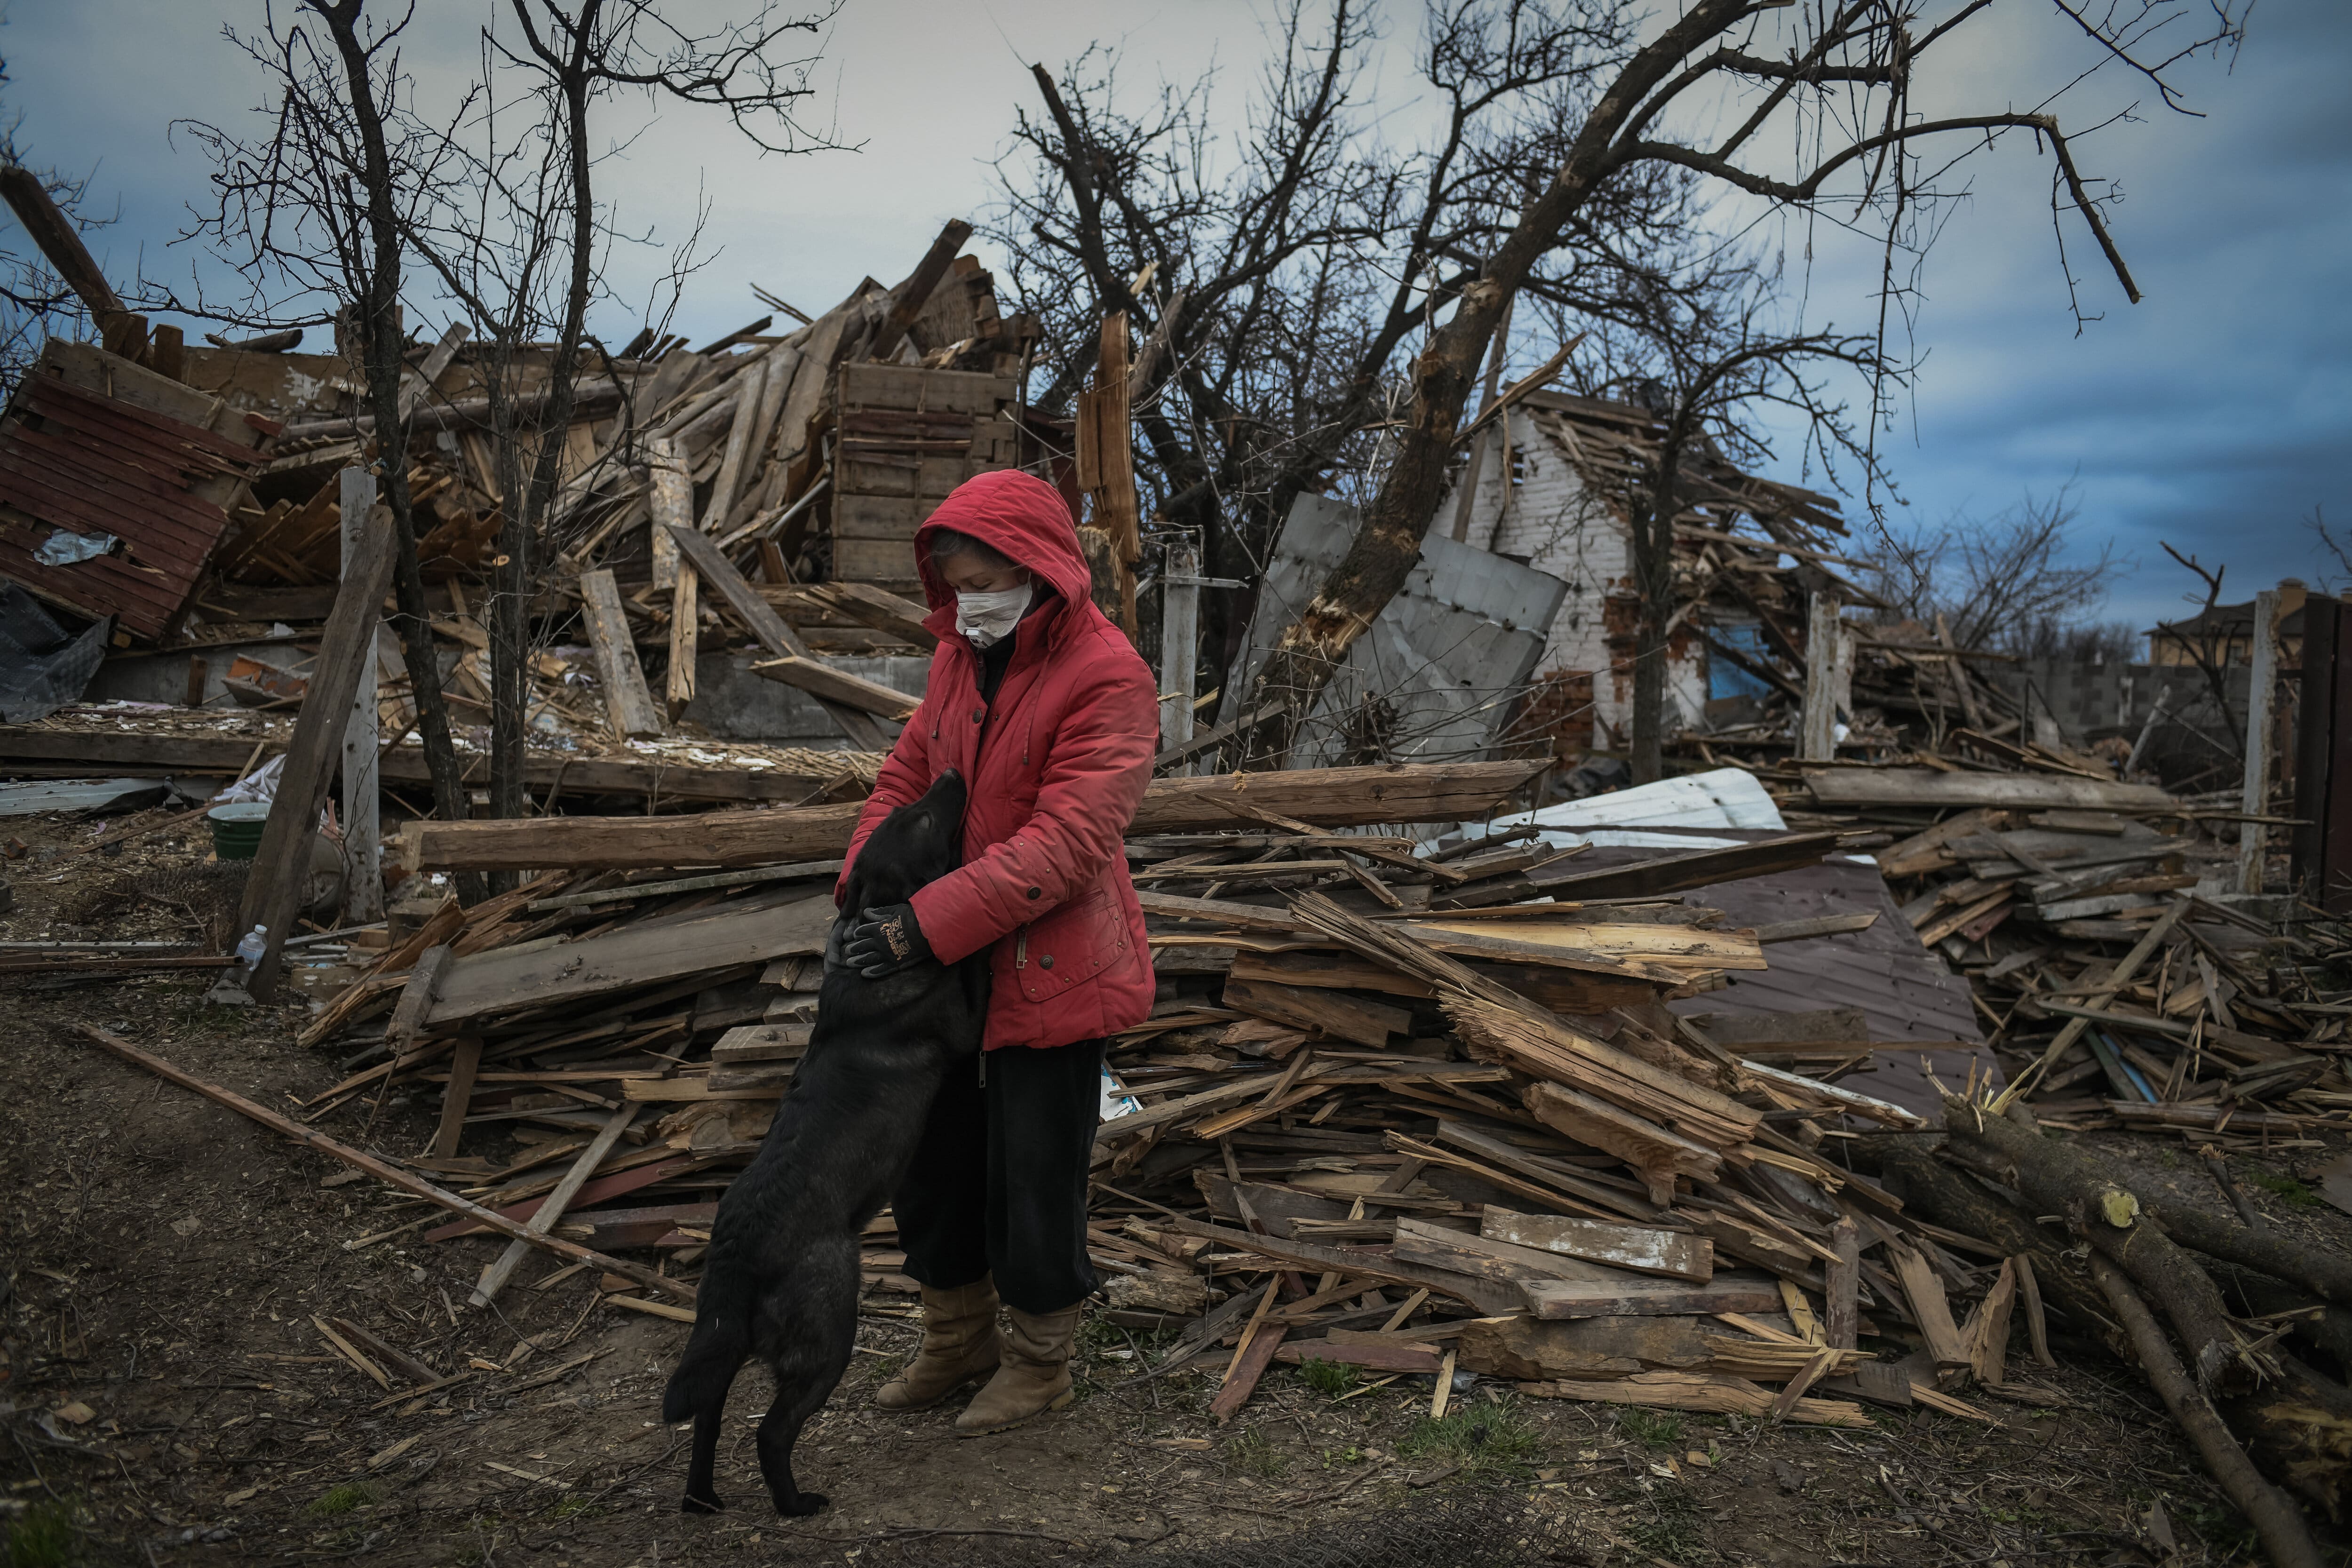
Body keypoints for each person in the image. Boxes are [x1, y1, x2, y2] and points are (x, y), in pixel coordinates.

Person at [832, 468, 1158, 1434]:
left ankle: (1039, 1362)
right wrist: (863, 884)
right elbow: (904, 773)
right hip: (948, 970)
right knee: (932, 1167)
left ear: (1039, 568)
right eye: (955, 584)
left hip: (1046, 969)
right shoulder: (958, 659)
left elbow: (1065, 844)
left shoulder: (1107, 674)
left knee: (1033, 1180)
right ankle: (955, 1337)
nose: (969, 604)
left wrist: (919, 923)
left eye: (985, 582)